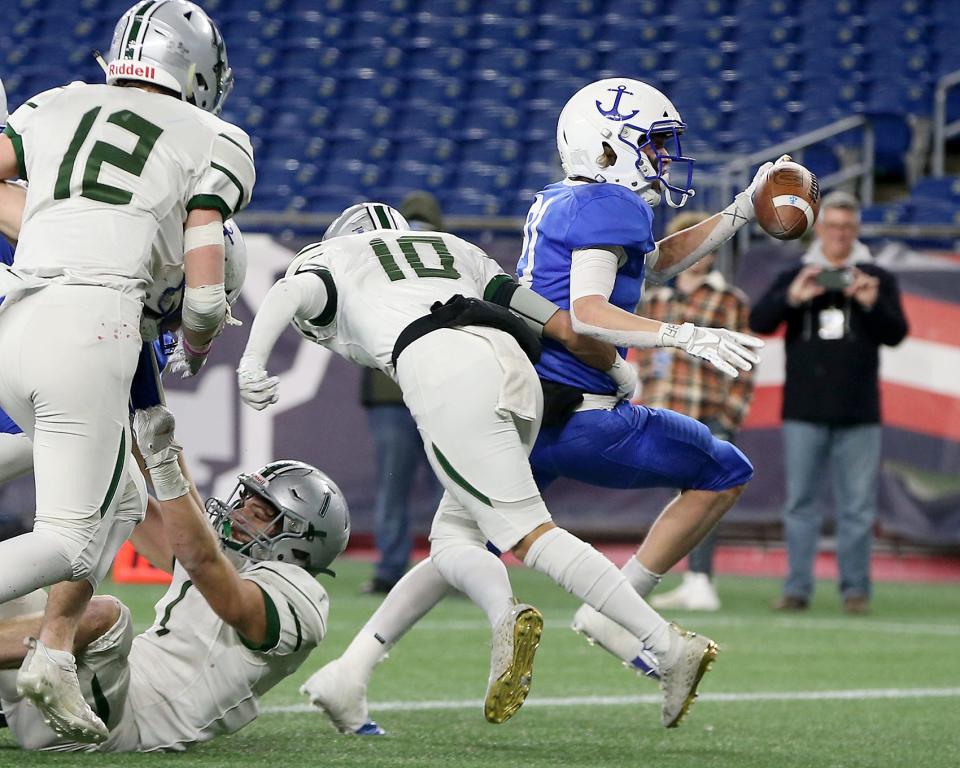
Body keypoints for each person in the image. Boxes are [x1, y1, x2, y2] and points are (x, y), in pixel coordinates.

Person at [299, 78, 776, 737]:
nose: (666, 159)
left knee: (453, 546)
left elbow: (649, 266)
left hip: (519, 408)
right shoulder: (611, 205)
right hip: (581, 412)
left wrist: (739, 213)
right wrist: (680, 335)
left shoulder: (566, 200)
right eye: (656, 144)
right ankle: (620, 611)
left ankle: (350, 672)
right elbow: (587, 313)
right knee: (723, 469)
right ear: (609, 148)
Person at [236, 201, 734, 731]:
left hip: (443, 367)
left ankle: (658, 643)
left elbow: (289, 292)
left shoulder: (336, 255)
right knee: (453, 540)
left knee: (527, 533)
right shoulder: (453, 249)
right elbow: (556, 323)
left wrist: (251, 362)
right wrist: (615, 368)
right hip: (516, 368)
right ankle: (349, 677)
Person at [0, 0, 254, 742]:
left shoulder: (54, 103)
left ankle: (50, 653)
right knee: (70, 542)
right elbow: (203, 300)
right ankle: (47, 651)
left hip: (19, 314)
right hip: (86, 324)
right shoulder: (212, 137)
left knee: (119, 494)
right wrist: (201, 339)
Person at [0, 405, 348, 752]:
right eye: (244, 501)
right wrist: (123, 408)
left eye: (260, 514)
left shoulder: (301, 596)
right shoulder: (224, 560)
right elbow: (140, 506)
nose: (240, 513)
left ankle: (45, 665)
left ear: (303, 542)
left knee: (105, 617)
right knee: (16, 575)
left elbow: (207, 566)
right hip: (74, 686)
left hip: (110, 724)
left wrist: (163, 464)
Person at [749, 191, 908, 614]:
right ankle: (796, 589)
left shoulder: (876, 275)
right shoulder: (797, 272)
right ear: (819, 228)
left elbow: (896, 333)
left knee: (858, 509)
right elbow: (759, 322)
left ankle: (855, 590)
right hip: (803, 409)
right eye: (833, 226)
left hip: (859, 411)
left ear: (856, 231)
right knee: (800, 505)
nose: (840, 235)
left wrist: (871, 304)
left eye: (848, 228)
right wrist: (793, 298)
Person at [636, 211, 757, 611]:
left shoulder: (728, 299)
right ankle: (686, 576)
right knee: (677, 497)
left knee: (707, 494)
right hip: (663, 409)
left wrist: (730, 415)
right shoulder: (654, 297)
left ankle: (702, 577)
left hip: (707, 410)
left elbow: (745, 363)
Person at [357, 192, 445, 594]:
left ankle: (395, 569)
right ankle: (456, 566)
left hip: (395, 391)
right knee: (455, 486)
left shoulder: (378, 266)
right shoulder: (451, 264)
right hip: (432, 390)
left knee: (397, 486)